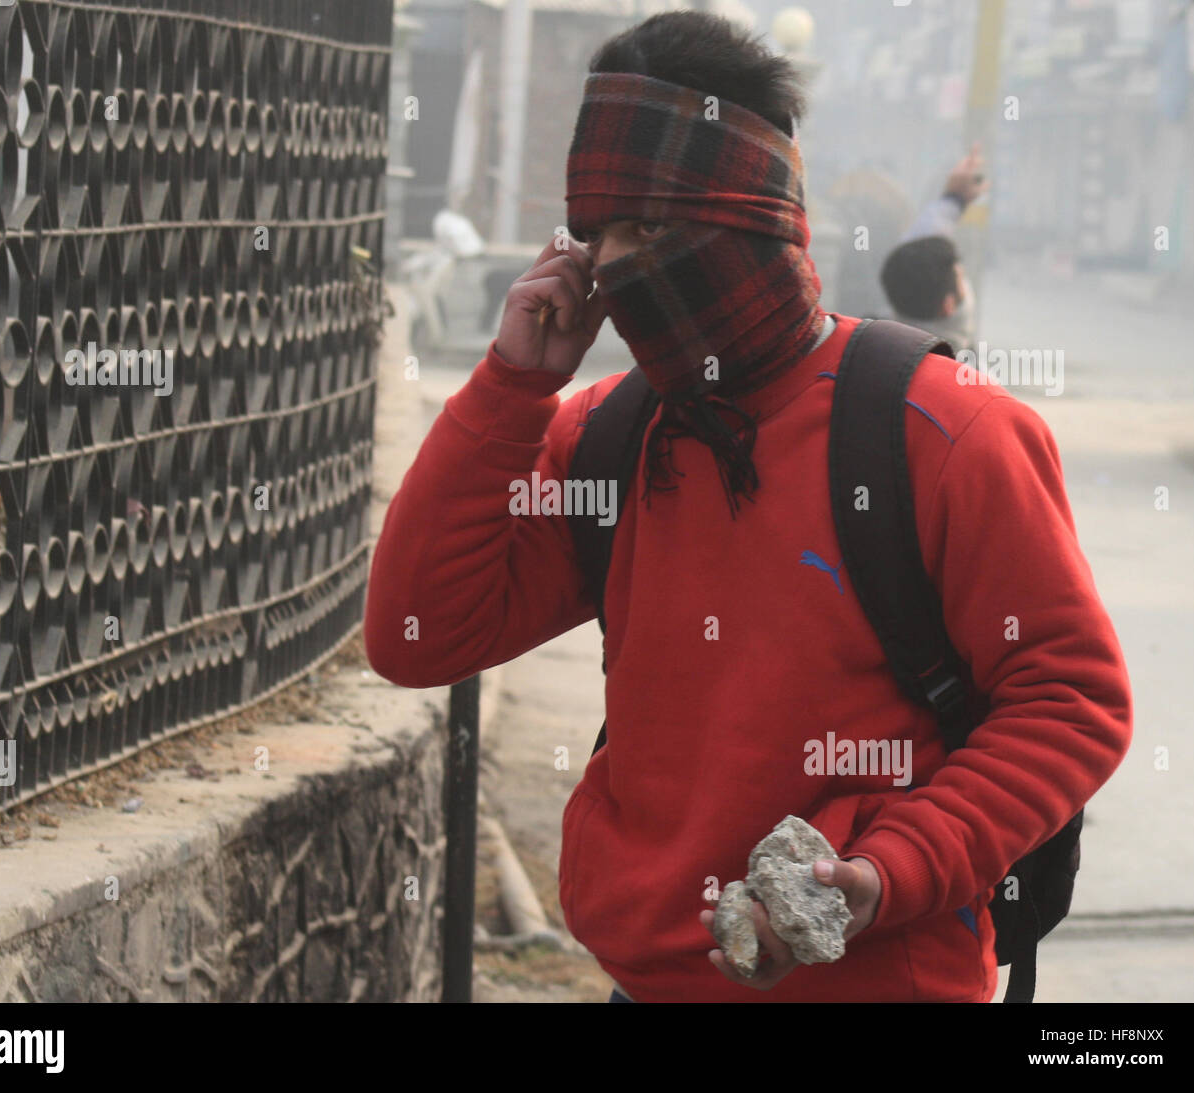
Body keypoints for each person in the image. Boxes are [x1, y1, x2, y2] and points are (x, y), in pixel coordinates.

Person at [364, 12, 1131, 1003]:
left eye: (653, 228)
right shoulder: (607, 438)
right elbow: (417, 636)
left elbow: (1071, 700)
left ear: (752, 216)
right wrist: (512, 385)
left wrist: (889, 869)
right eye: (600, 235)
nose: (621, 265)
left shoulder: (941, 432)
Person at [879, 144, 989, 354]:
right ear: (948, 305)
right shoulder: (967, 377)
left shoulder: (878, 348)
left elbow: (914, 259)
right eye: (960, 276)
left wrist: (954, 199)